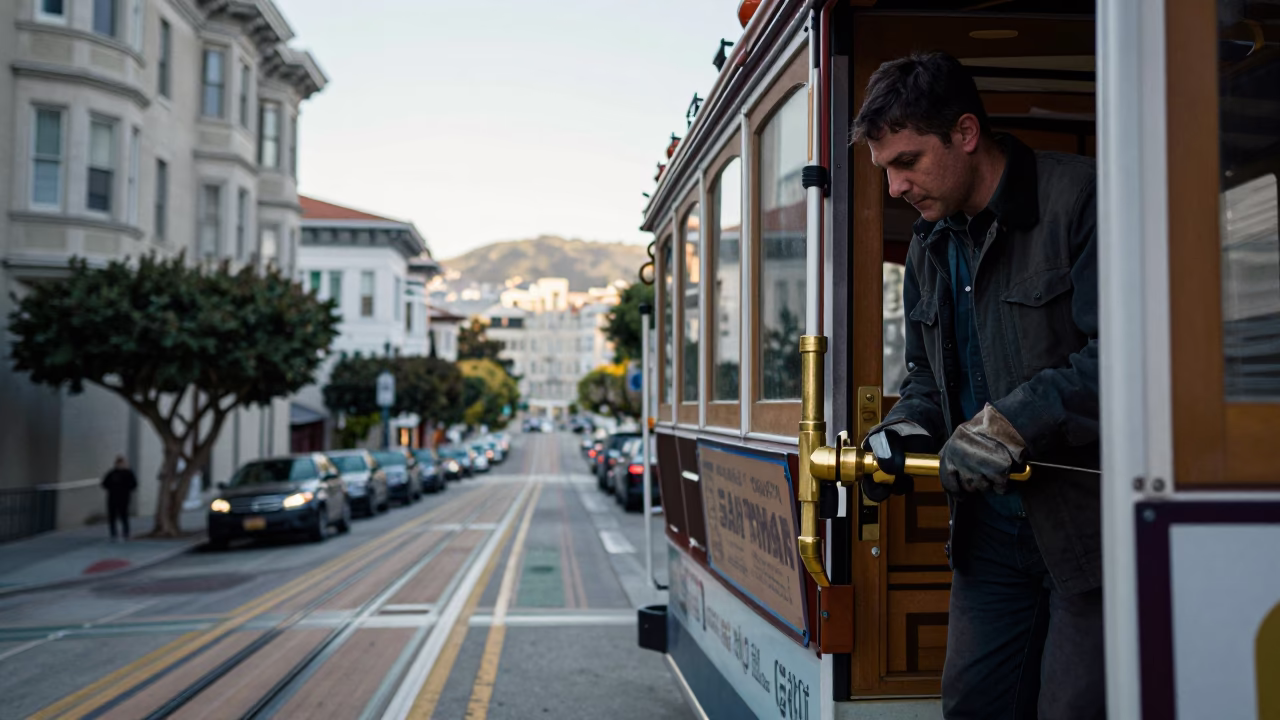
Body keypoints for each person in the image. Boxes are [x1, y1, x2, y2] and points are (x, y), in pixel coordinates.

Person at [850, 52, 1101, 719]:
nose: (896, 189)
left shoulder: (1081, 199)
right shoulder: (928, 246)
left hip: (1088, 533)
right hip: (988, 536)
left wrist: (1011, 424)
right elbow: (927, 379)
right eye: (886, 171)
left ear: (964, 134)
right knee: (972, 707)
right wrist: (902, 427)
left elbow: (1130, 359)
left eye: (907, 162)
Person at [101, 455, 138, 541]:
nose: (121, 465)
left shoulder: (128, 473)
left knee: (124, 515)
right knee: (112, 516)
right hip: (112, 497)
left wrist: (125, 489)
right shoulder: (112, 473)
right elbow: (104, 483)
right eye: (119, 463)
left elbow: (133, 485)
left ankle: (126, 532)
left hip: (124, 498)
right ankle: (113, 532)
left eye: (122, 463)